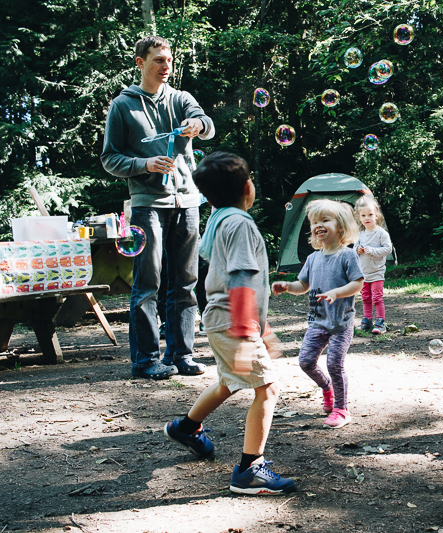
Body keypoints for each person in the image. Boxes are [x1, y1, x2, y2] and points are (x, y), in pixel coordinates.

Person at [163, 152, 296, 495]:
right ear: (248, 187)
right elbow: (238, 277)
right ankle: (250, 469)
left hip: (222, 318)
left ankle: (187, 428)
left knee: (228, 380)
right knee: (267, 389)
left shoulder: (218, 217)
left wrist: (253, 326)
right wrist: (248, 328)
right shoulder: (239, 223)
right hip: (233, 321)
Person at [101, 35, 215, 379]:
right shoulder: (123, 106)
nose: (166, 67)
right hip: (147, 204)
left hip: (187, 201)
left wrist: (199, 124)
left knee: (185, 283)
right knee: (147, 283)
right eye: (158, 61)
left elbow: (205, 123)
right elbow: (110, 158)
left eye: (169, 61)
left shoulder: (181, 98)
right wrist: (144, 165)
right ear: (140, 62)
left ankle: (182, 355)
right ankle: (146, 360)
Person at [271, 199, 364, 429]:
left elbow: (358, 284)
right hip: (317, 322)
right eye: (314, 221)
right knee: (306, 361)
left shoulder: (347, 256)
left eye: (325, 220)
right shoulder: (313, 259)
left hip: (341, 322)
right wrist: (286, 286)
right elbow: (302, 286)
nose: (318, 225)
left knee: (334, 364)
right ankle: (327, 388)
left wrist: (337, 292)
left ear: (340, 226)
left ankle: (341, 409)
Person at [353, 196, 393, 335]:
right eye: (363, 215)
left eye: (370, 214)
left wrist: (373, 251)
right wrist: (357, 249)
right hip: (363, 272)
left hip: (377, 271)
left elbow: (388, 249)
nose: (367, 218)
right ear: (359, 217)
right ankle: (367, 320)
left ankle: (380, 321)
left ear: (376, 215)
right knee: (365, 297)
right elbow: (354, 248)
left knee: (377, 297)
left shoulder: (381, 233)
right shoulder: (360, 234)